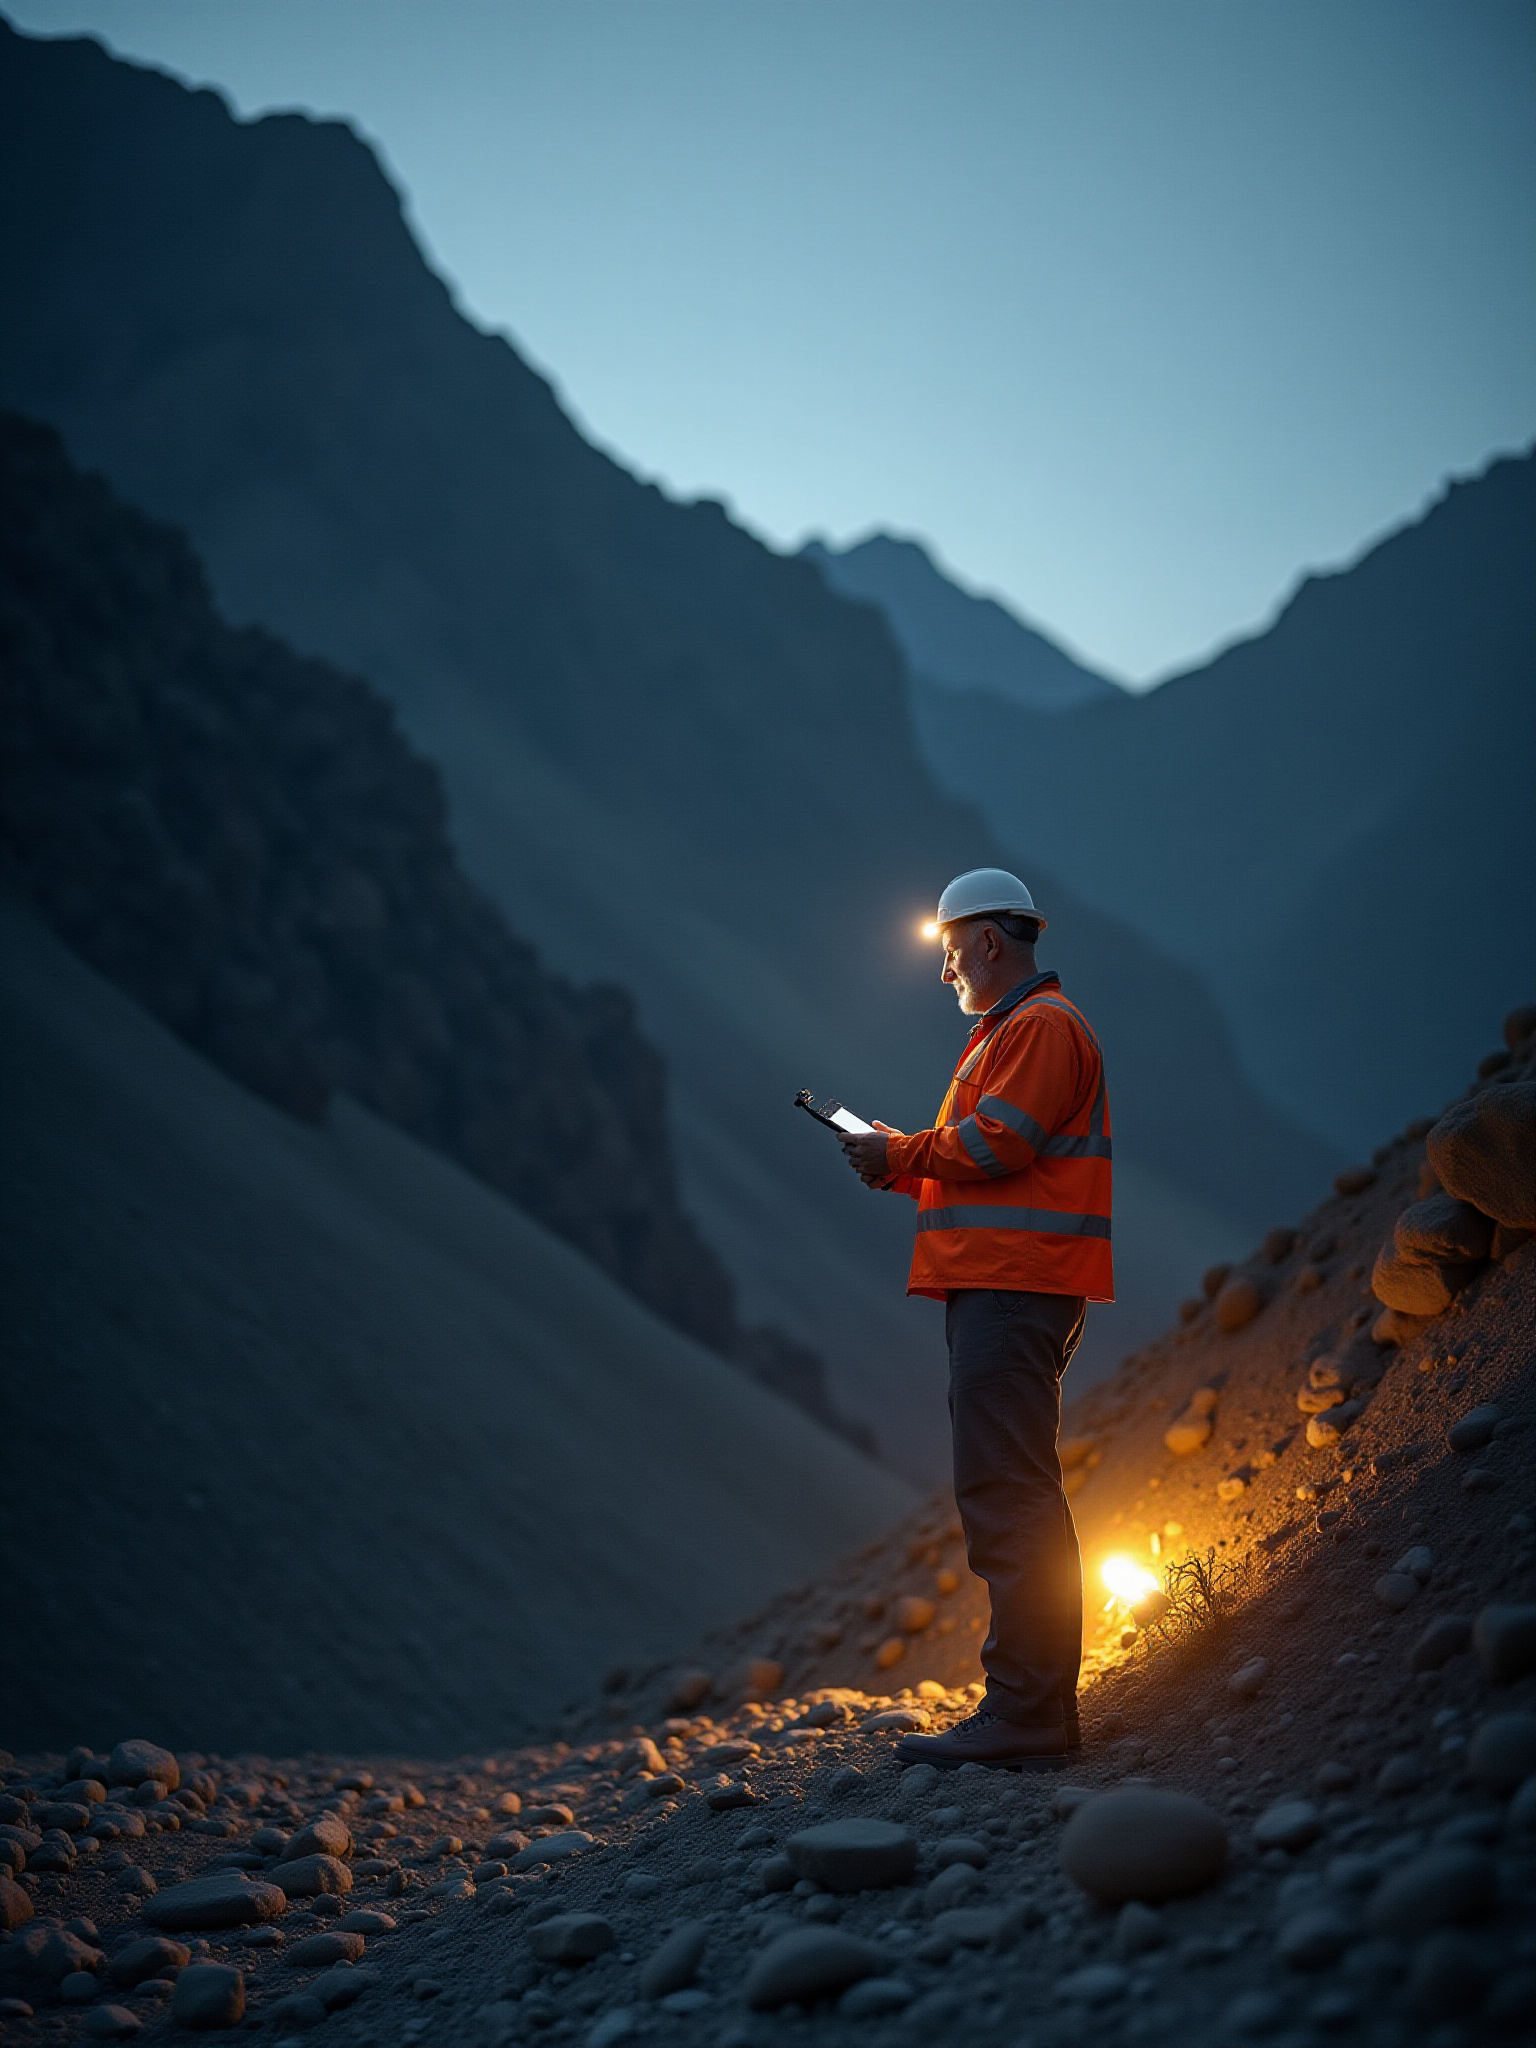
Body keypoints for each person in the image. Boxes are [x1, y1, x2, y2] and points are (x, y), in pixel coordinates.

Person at [838, 868, 1113, 1768]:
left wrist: (902, 1150)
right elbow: (993, 1154)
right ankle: (1030, 1707)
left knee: (1009, 1494)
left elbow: (1001, 1142)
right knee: (1013, 1489)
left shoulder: (1036, 1028)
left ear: (989, 942)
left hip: (1012, 1287)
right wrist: (900, 1164)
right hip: (1010, 1285)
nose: (945, 970)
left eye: (951, 950)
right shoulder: (1022, 1028)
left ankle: (1028, 1713)